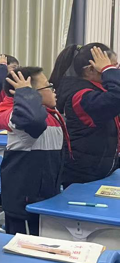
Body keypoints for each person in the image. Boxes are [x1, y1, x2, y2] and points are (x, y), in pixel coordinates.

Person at [0, 68, 64, 236]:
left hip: (45, 199)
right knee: (24, 249)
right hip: (24, 205)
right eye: (48, 86)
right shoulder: (17, 114)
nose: (54, 90)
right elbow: (33, 120)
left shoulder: (51, 115)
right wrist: (26, 93)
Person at [51, 43, 120, 186]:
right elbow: (116, 99)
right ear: (90, 70)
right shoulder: (81, 95)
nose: (115, 71)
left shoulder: (98, 90)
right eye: (111, 67)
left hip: (99, 168)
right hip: (83, 173)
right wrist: (109, 71)